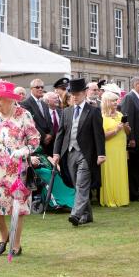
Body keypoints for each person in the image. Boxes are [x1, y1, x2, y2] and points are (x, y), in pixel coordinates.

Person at [0, 79, 40, 256]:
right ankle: (4, 235)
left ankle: (16, 243)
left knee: (17, 208)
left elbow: (34, 140)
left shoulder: (24, 114)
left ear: (9, 99)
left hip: (18, 169)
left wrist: (24, 150)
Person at [52, 78, 106, 227]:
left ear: (84, 93)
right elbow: (60, 134)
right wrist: (56, 153)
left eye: (77, 94)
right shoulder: (66, 112)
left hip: (86, 154)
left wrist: (101, 154)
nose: (74, 96)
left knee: (82, 184)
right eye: (72, 94)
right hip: (69, 153)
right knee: (78, 185)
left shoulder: (93, 111)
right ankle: (87, 215)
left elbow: (99, 134)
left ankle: (76, 214)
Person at [99, 91, 130, 207]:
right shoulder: (102, 117)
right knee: (110, 173)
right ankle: (110, 199)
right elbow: (102, 136)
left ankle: (122, 199)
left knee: (120, 172)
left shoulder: (120, 115)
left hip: (120, 149)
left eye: (116, 100)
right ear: (107, 102)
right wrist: (116, 130)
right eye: (113, 101)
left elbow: (128, 133)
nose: (116, 103)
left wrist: (126, 127)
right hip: (109, 149)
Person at [121, 76, 139, 201]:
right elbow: (128, 119)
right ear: (136, 85)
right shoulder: (129, 98)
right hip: (133, 139)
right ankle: (134, 193)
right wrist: (130, 138)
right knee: (133, 167)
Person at [21, 79, 52, 147]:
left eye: (42, 87)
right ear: (31, 89)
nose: (40, 89)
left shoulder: (44, 103)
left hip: (50, 141)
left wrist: (51, 134)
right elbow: (31, 123)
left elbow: (49, 120)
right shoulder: (25, 104)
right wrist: (44, 136)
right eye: (37, 87)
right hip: (37, 141)